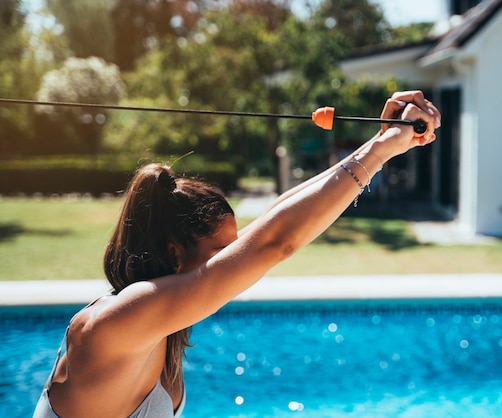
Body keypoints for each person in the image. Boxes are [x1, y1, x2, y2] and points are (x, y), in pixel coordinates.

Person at [33, 90, 441, 418]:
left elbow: (274, 220)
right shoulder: (114, 323)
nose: (237, 263)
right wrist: (381, 153)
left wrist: (378, 139)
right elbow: (273, 243)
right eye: (221, 253)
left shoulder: (158, 323)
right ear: (175, 255)